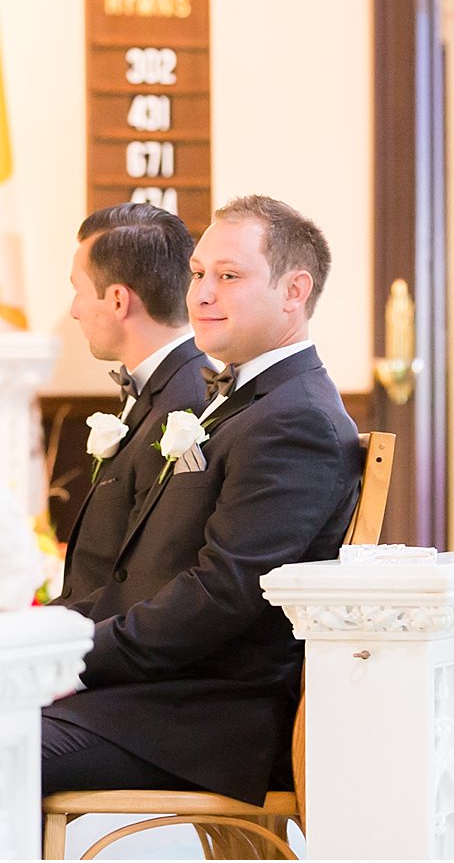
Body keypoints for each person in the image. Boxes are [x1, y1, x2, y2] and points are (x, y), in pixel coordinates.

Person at [44, 195, 363, 804]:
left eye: (229, 276)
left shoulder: (297, 420)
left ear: (295, 291)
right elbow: (149, 571)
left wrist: (74, 657)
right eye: (198, 274)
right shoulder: (245, 399)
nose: (202, 295)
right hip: (160, 696)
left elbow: (222, 595)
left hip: (203, 719)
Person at [58, 202, 211, 613]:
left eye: (79, 290)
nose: (74, 310)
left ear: (118, 301)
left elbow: (149, 581)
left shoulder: (188, 407)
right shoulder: (164, 389)